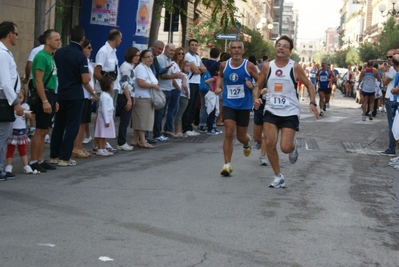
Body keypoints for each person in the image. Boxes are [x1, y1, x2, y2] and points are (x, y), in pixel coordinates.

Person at [254, 35, 318, 188]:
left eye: (285, 46)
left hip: (290, 111)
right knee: (269, 143)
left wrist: (312, 102)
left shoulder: (294, 67)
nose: (281, 48)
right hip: (271, 109)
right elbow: (257, 85)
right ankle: (278, 176)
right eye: (278, 45)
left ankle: (293, 146)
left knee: (285, 147)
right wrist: (256, 99)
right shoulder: (268, 66)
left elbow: (309, 85)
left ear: (290, 51)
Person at [214, 40, 259, 176]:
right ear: (229, 50)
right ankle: (227, 164)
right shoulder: (223, 65)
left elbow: (260, 81)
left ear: (243, 51)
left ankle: (247, 141)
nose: (236, 50)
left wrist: (253, 86)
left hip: (244, 106)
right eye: (233, 48)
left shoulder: (249, 66)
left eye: (239, 48)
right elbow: (221, 77)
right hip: (229, 104)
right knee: (229, 133)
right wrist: (218, 87)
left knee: (241, 137)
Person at [50, 25, 91, 167]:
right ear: (82, 39)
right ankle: (64, 157)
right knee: (72, 126)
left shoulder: (59, 52)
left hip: (60, 92)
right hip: (75, 94)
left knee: (58, 125)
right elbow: (85, 79)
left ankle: (54, 155)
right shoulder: (81, 56)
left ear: (69, 37)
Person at [29, 29, 60, 172]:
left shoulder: (51, 56)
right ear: (48, 41)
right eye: (56, 39)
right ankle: (33, 160)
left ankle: (40, 159)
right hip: (44, 95)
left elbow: (53, 79)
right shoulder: (42, 56)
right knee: (40, 130)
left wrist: (55, 100)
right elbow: (39, 81)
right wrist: (45, 101)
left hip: (51, 94)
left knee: (45, 129)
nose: (59, 42)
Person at [0, 21, 24, 180]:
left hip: (6, 98)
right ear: (10, 34)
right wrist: (16, 103)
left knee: (4, 136)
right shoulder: (2, 53)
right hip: (3, 99)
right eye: (16, 34)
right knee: (2, 136)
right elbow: (5, 82)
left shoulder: (5, 52)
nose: (17, 37)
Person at [93, 29, 122, 153]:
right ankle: (97, 143)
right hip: (105, 88)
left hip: (113, 86)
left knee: (110, 114)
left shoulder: (113, 52)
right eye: (120, 38)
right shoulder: (103, 51)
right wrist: (105, 84)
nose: (121, 41)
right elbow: (97, 72)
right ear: (116, 39)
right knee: (102, 115)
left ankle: (104, 142)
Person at [71, 39, 98, 158]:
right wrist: (93, 93)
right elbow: (85, 81)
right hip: (83, 94)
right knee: (80, 123)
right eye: (88, 47)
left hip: (88, 95)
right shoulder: (81, 60)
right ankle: (76, 148)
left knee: (84, 123)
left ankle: (79, 146)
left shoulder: (87, 61)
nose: (91, 50)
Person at [131, 49, 159, 149]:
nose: (150, 58)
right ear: (142, 59)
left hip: (147, 96)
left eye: (151, 56)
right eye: (148, 57)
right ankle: (143, 141)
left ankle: (135, 139)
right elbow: (141, 83)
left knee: (141, 120)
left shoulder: (148, 68)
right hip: (142, 97)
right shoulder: (141, 68)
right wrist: (153, 86)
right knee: (142, 121)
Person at [154, 43, 182, 140]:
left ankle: (159, 132)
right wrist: (174, 76)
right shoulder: (161, 59)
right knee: (160, 114)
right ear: (165, 50)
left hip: (168, 89)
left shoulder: (169, 60)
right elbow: (162, 75)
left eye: (174, 51)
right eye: (171, 50)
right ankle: (157, 134)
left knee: (163, 113)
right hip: (162, 89)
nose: (172, 52)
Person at [5, 90, 33, 176]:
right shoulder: (11, 106)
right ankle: (9, 165)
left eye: (21, 97)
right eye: (17, 98)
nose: (19, 100)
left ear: (24, 98)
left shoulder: (25, 105)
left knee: (22, 149)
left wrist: (25, 111)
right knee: (10, 148)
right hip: (12, 130)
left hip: (22, 130)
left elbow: (31, 116)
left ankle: (26, 165)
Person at [116, 46, 139, 151]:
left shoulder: (131, 67)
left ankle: (122, 141)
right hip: (124, 96)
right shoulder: (126, 67)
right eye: (135, 55)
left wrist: (132, 97)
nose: (137, 57)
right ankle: (121, 142)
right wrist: (129, 99)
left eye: (138, 55)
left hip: (129, 95)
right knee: (124, 120)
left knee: (126, 120)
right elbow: (124, 83)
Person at [22, 34, 45, 137]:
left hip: (34, 80)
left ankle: (32, 127)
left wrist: (27, 77)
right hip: (47, 83)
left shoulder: (36, 50)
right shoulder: (50, 51)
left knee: (33, 103)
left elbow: (29, 65)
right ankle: (44, 129)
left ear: (39, 42)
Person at [183, 39, 207, 136]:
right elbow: (196, 71)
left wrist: (198, 68)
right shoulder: (188, 56)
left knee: (193, 106)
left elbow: (204, 69)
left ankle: (190, 126)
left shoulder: (197, 56)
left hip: (197, 83)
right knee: (188, 106)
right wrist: (199, 68)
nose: (194, 46)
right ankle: (186, 128)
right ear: (189, 46)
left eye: (196, 45)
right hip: (190, 83)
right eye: (192, 45)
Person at [198, 48, 221, 133]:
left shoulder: (204, 62)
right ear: (218, 55)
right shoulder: (217, 64)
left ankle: (202, 124)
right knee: (213, 107)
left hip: (203, 86)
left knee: (204, 106)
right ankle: (212, 125)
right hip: (213, 88)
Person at [381, 49, 398, 156]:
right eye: (387, 57)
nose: (389, 59)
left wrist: (383, 72)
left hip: (392, 99)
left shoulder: (393, 69)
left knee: (392, 125)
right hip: (392, 99)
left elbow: (385, 82)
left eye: (391, 57)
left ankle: (392, 148)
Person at [94, 74, 116, 156]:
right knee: (101, 134)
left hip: (108, 116)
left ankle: (103, 148)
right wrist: (106, 120)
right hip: (104, 118)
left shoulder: (106, 95)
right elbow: (103, 109)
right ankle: (100, 149)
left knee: (104, 134)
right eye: (112, 84)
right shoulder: (104, 96)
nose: (113, 86)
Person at [172, 60, 190, 137]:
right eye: (186, 66)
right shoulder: (184, 75)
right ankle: (177, 131)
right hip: (184, 96)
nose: (188, 68)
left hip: (180, 95)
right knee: (179, 114)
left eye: (189, 66)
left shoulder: (181, 74)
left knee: (178, 113)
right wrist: (187, 92)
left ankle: (177, 130)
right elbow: (184, 85)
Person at [204, 69, 220, 135]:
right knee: (211, 111)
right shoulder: (216, 78)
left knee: (215, 111)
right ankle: (209, 128)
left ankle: (212, 127)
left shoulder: (220, 79)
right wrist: (211, 87)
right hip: (212, 95)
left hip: (215, 95)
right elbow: (206, 81)